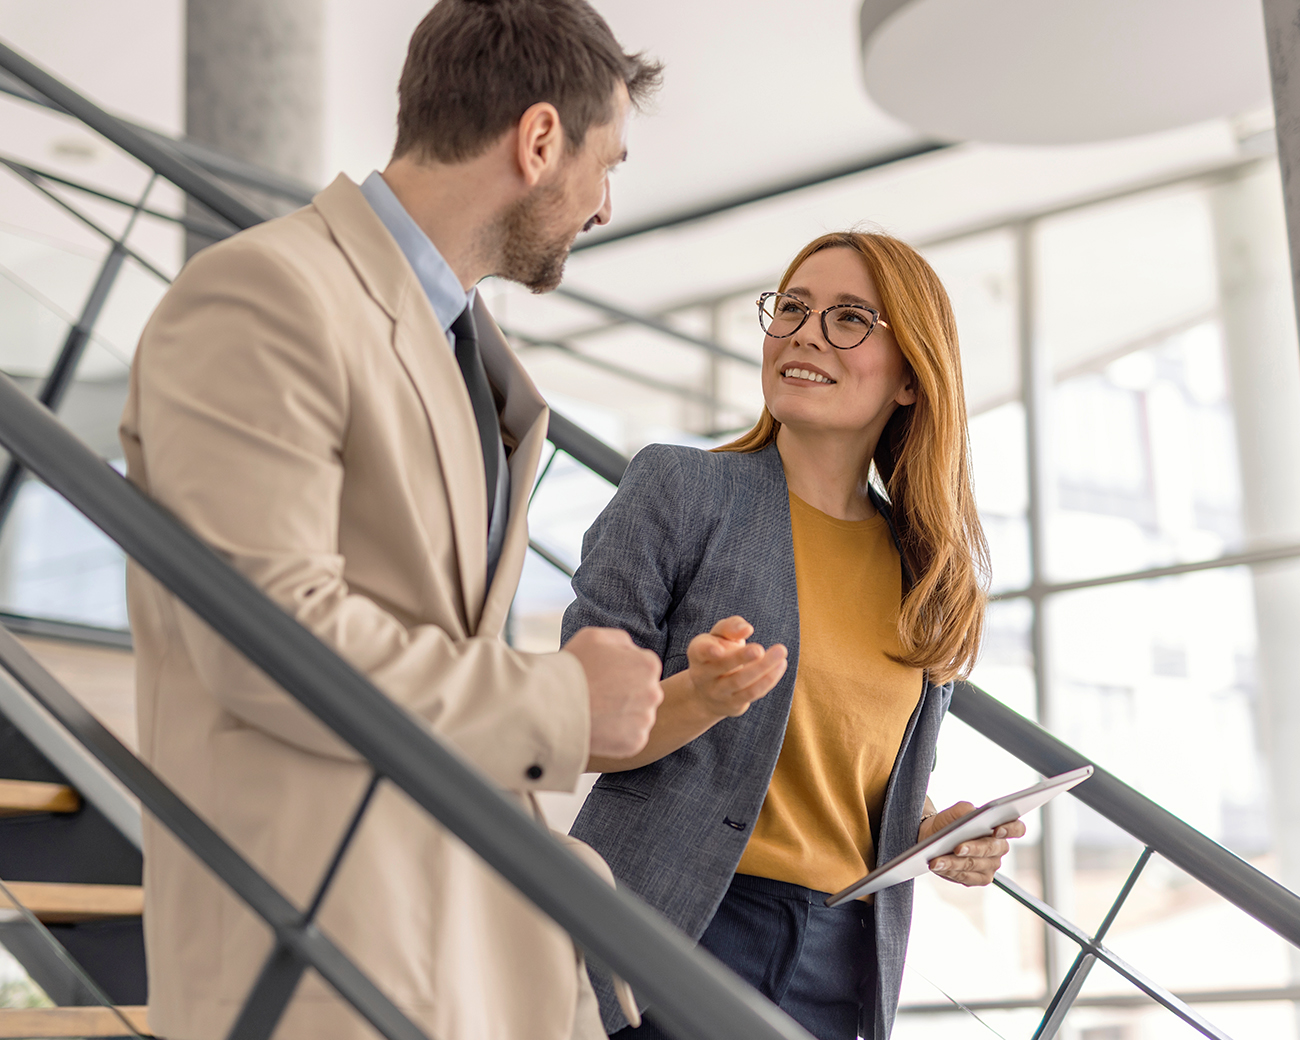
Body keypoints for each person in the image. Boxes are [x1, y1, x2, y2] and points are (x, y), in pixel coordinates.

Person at [119, 3, 663, 1039]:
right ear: (538, 139)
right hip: (322, 950)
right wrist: (557, 701)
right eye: (608, 163)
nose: (603, 206)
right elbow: (268, 637)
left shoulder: (467, 347)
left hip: (444, 935)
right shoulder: (260, 294)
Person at [564, 230, 1027, 1040]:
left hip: (843, 958)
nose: (805, 333)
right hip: (678, 925)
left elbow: (843, 786)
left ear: (912, 379)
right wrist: (695, 699)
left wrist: (929, 834)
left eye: (850, 318)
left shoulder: (927, 573)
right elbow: (574, 730)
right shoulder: (681, 490)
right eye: (794, 309)